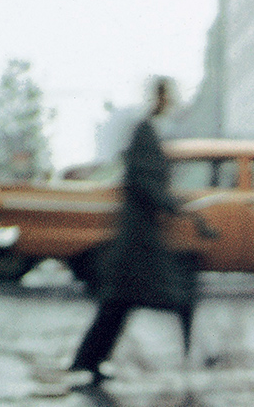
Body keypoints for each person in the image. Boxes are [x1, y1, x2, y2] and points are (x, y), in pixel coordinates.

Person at [69, 77, 199, 380]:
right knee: (153, 298)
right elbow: (144, 181)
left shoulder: (149, 131)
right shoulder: (145, 131)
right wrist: (173, 206)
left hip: (140, 234)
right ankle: (87, 360)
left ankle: (88, 360)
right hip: (138, 236)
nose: (173, 101)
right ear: (160, 98)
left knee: (118, 303)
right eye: (170, 96)